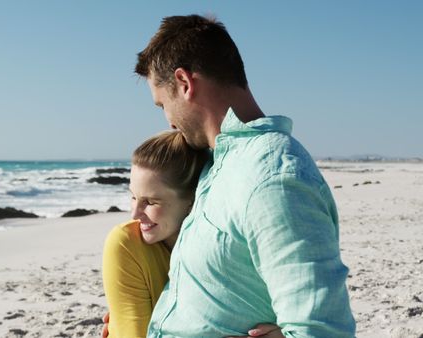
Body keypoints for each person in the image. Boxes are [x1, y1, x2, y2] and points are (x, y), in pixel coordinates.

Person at [132, 14, 356, 337]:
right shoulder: (218, 163)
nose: (168, 121)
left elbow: (323, 330)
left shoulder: (272, 178)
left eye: (162, 104)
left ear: (184, 84)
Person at [102, 131, 283, 338]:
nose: (135, 213)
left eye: (151, 202)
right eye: (133, 197)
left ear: (192, 199)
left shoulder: (229, 249)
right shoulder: (127, 243)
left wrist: (285, 333)